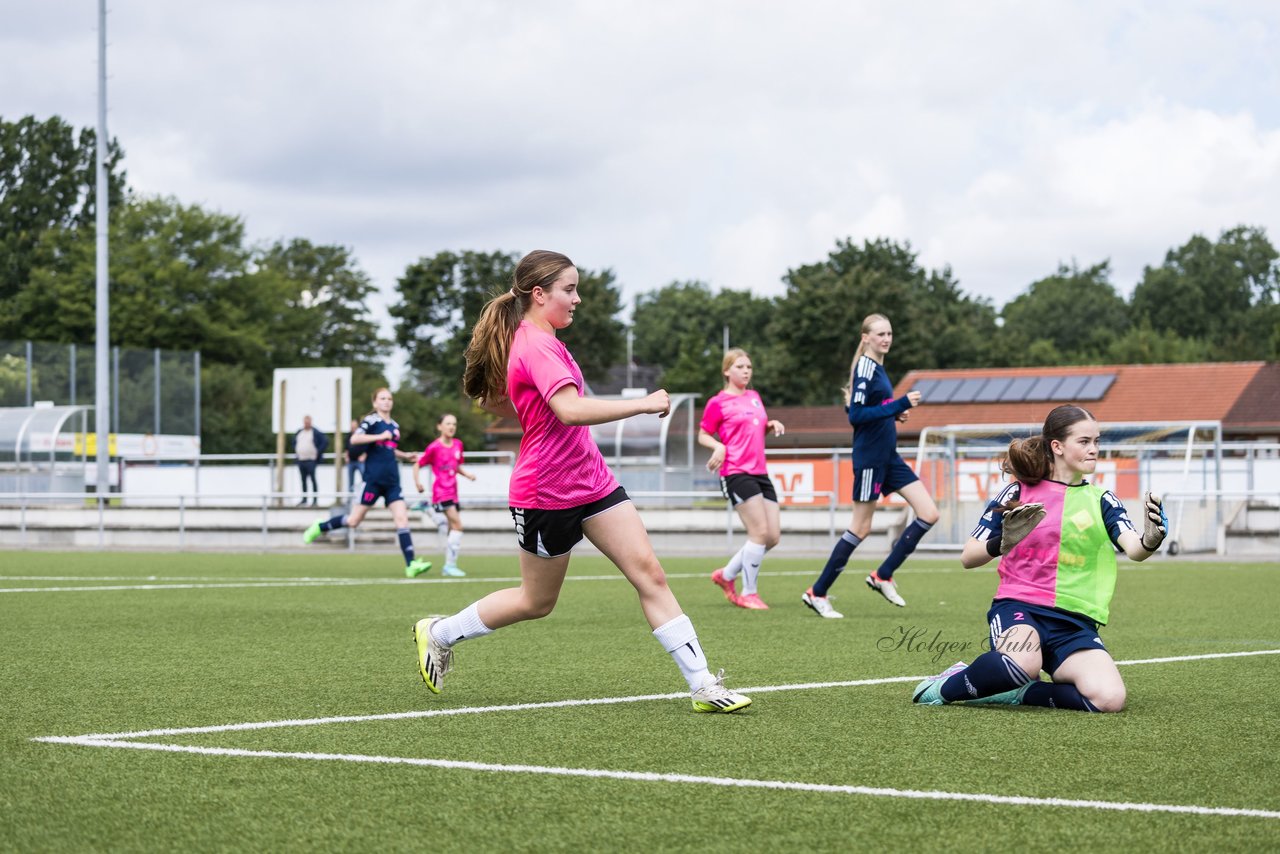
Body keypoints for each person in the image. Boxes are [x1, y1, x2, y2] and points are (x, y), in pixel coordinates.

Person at [412, 249, 751, 713]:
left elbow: (519, 405)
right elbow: (570, 411)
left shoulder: (546, 341)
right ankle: (440, 632)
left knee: (649, 574)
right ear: (539, 294)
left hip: (593, 483)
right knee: (536, 601)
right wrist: (642, 404)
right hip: (545, 495)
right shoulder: (534, 344)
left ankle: (704, 685)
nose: (577, 299)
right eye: (569, 290)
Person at [912, 404, 1168, 712]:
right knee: (1023, 663)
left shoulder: (1102, 499)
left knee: (1109, 699)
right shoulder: (1016, 492)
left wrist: (1151, 539)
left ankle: (1019, 693)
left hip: (1074, 622)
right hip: (1019, 608)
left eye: (1097, 441)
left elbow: (1134, 549)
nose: (1094, 450)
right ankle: (945, 685)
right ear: (1057, 447)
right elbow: (969, 556)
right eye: (1084, 442)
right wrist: (1002, 542)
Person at [802, 313, 939, 618]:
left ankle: (883, 575)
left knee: (929, 513)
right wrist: (900, 405)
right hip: (871, 459)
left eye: (889, 333)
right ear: (865, 338)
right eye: (880, 334)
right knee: (860, 527)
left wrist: (893, 414)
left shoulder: (877, 366)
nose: (886, 339)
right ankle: (817, 592)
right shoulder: (865, 367)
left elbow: (872, 411)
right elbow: (856, 416)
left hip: (888, 456)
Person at [303, 388, 432, 578]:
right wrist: (379, 436)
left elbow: (389, 449)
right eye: (382, 398)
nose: (387, 401)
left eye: (389, 398)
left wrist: (405, 455)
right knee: (354, 521)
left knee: (402, 519)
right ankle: (320, 526)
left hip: (392, 482)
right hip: (372, 480)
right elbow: (355, 439)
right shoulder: (372, 421)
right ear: (375, 403)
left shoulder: (394, 425)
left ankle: (411, 564)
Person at [698, 348, 785, 610]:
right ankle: (749, 592)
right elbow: (703, 434)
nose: (746, 371)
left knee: (772, 537)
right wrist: (718, 447)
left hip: (760, 472)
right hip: (736, 472)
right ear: (727, 371)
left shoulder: (755, 397)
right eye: (740, 366)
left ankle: (725, 576)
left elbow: (756, 430)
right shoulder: (718, 402)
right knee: (758, 533)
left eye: (748, 366)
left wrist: (771, 425)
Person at [413, 413, 477, 578]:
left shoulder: (458, 445)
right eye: (448, 424)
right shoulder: (434, 447)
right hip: (441, 492)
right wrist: (417, 483)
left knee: (450, 529)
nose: (451, 427)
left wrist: (467, 474)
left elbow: (456, 467)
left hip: (454, 492)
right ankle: (449, 566)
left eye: (454, 424)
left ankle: (449, 566)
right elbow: (417, 464)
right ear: (439, 426)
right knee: (458, 526)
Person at [293, 415, 327, 507]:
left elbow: (324, 442)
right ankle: (304, 499)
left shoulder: (315, 432)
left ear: (311, 422)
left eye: (308, 422)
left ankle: (315, 500)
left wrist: (318, 452)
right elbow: (294, 443)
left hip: (311, 460)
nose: (306, 424)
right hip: (301, 460)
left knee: (313, 480)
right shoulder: (300, 432)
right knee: (303, 480)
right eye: (305, 422)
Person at [344, 418, 365, 499]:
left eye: (354, 426)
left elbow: (367, 447)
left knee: (365, 479)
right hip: (351, 461)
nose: (353, 427)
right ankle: (350, 498)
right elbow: (346, 448)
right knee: (350, 481)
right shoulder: (348, 435)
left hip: (360, 461)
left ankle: (365, 497)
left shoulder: (362, 435)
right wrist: (347, 457)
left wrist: (364, 456)